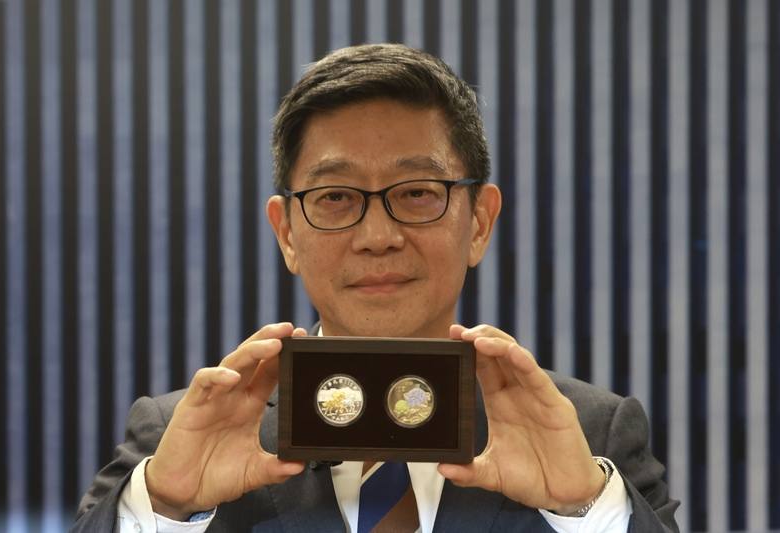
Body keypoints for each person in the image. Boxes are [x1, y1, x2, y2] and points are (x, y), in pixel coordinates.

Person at [73, 43, 679, 532]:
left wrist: (583, 513)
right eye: (335, 197)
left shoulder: (589, 433)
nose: (378, 234)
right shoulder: (177, 434)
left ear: (480, 223)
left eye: (416, 192)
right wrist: (168, 511)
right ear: (286, 232)